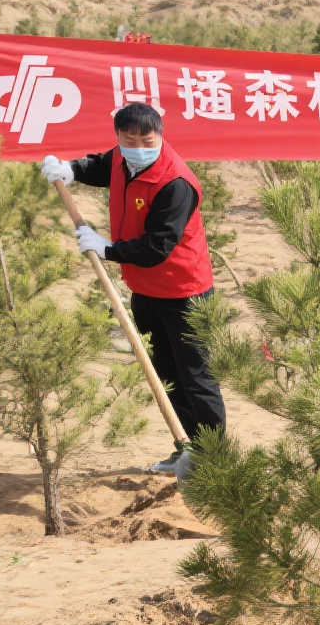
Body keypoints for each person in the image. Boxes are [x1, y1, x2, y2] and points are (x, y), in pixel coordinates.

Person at [41, 103, 224, 476]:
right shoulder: (123, 160)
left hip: (185, 291)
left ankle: (214, 460)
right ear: (119, 138)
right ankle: (186, 448)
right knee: (165, 373)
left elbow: (158, 246)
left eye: (147, 139)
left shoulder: (175, 183)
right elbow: (101, 166)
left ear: (161, 135)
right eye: (129, 139)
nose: (139, 146)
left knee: (196, 376)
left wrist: (106, 248)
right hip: (146, 289)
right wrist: (71, 170)